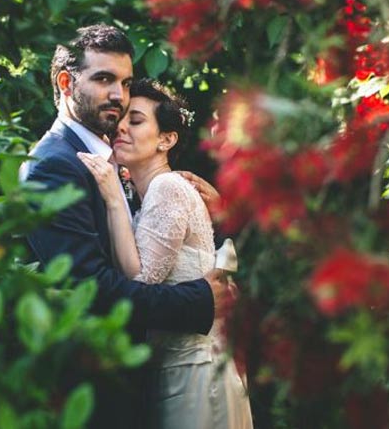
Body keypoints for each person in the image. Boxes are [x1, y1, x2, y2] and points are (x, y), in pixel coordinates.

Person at [21, 24, 233, 428]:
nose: (118, 95)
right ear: (66, 83)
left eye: (125, 81)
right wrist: (201, 301)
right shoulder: (53, 166)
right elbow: (90, 289)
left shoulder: (116, 164)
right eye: (104, 79)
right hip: (98, 395)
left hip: (148, 382)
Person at [78, 79, 253, 429]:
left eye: (137, 120)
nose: (122, 126)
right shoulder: (155, 194)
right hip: (182, 367)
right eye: (122, 118)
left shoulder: (167, 187)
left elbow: (142, 282)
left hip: (195, 372)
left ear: (166, 140)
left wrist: (113, 198)